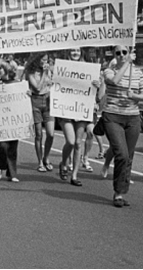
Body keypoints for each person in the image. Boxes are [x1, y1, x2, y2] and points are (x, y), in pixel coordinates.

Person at [102, 45, 143, 208]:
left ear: (129, 53)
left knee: (128, 156)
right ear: (114, 55)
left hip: (132, 117)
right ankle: (118, 190)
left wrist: (134, 95)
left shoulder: (138, 73)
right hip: (113, 116)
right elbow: (113, 81)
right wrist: (126, 64)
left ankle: (120, 193)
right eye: (118, 53)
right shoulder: (109, 70)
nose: (121, 55)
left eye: (124, 52)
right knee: (121, 154)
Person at [56, 48, 104, 187]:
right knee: (70, 142)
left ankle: (74, 175)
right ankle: (64, 162)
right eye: (72, 50)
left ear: (81, 52)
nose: (75, 53)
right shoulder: (62, 67)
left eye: (77, 50)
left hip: (81, 110)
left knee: (78, 143)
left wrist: (97, 86)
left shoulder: (88, 68)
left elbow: (98, 91)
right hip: (66, 110)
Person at [0, 59, 23, 182]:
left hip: (13, 120)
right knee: (2, 146)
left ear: (6, 70)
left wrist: (27, 94)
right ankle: (0, 166)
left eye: (0, 68)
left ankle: (12, 173)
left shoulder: (17, 83)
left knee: (13, 147)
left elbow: (22, 100)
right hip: (1, 120)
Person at [25, 53, 56, 173]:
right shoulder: (31, 72)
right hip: (36, 101)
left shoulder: (50, 70)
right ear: (37, 60)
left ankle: (46, 157)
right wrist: (44, 73)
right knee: (38, 134)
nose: (45, 62)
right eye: (42, 60)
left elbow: (55, 83)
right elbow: (37, 87)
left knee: (51, 133)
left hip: (48, 102)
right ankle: (40, 162)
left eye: (46, 60)